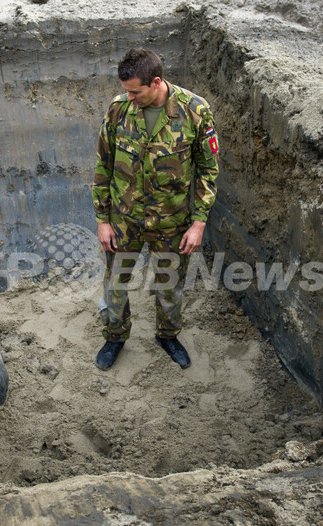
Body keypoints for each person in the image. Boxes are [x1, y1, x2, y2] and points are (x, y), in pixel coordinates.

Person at [92, 47, 220, 371]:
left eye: (135, 91)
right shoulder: (118, 110)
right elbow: (103, 166)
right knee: (116, 282)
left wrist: (199, 223)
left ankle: (167, 335)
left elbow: (208, 169)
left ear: (156, 82)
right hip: (124, 218)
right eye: (126, 91)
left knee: (170, 285)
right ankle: (116, 336)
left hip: (172, 220)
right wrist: (103, 220)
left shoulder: (195, 111)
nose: (129, 97)